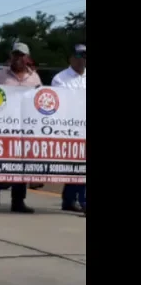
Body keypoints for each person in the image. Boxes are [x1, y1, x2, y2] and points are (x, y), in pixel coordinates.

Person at [0, 42, 41, 214]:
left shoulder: (34, 78)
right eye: (15, 54)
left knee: (23, 165)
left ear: (27, 58)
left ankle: (18, 201)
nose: (18, 58)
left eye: (21, 55)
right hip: (4, 127)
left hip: (26, 128)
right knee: (6, 164)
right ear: (11, 56)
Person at [52, 44, 86, 216]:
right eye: (79, 57)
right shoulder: (60, 79)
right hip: (69, 127)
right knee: (76, 167)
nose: (83, 60)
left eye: (85, 57)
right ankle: (72, 200)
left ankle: (75, 200)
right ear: (71, 58)